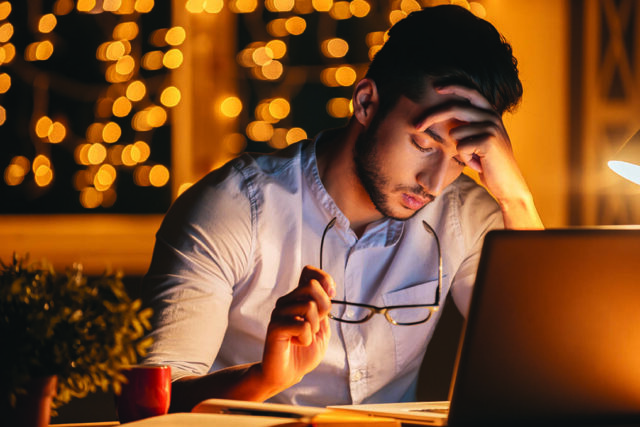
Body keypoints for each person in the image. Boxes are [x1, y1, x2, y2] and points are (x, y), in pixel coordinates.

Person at [141, 4, 544, 413]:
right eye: (424, 145)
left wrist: (517, 199)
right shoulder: (234, 206)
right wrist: (264, 378)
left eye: (460, 158)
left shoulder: (465, 215)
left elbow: (541, 366)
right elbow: (150, 405)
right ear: (366, 103)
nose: (435, 183)